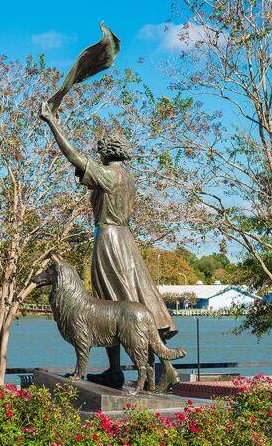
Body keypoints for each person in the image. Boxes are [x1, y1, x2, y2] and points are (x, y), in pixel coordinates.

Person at [39, 101, 180, 391]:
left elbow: (74, 158)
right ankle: (115, 371)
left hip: (110, 240)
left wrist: (52, 123)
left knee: (118, 301)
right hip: (123, 239)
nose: (97, 155)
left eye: (100, 151)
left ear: (107, 153)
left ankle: (164, 369)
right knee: (115, 301)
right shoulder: (126, 175)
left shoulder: (110, 176)